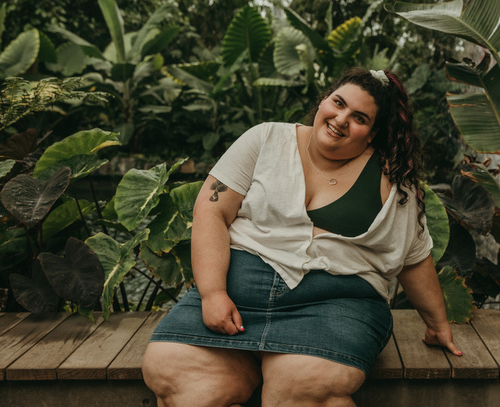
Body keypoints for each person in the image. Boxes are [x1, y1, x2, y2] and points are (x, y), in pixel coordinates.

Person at [142, 67, 462, 407]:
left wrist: (437, 323)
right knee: (172, 369)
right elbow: (211, 211)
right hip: (237, 294)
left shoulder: (394, 179)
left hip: (335, 304)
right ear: (323, 100)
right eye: (337, 103)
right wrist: (213, 293)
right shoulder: (264, 139)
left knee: (300, 386)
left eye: (359, 118)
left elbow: (413, 257)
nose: (340, 119)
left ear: (372, 134)